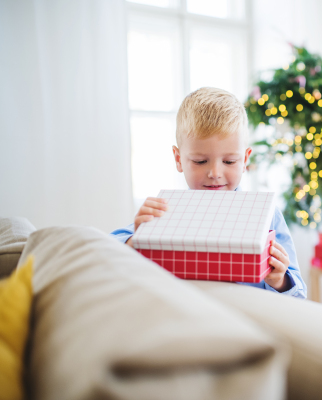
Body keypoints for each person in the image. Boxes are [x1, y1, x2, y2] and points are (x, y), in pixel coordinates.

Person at [111, 87, 306, 299]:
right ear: (179, 159)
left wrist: (279, 280)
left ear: (245, 160)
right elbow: (104, 250)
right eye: (200, 161)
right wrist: (137, 241)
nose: (215, 173)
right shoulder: (167, 210)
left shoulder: (266, 215)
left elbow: (298, 294)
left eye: (229, 161)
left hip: (245, 319)